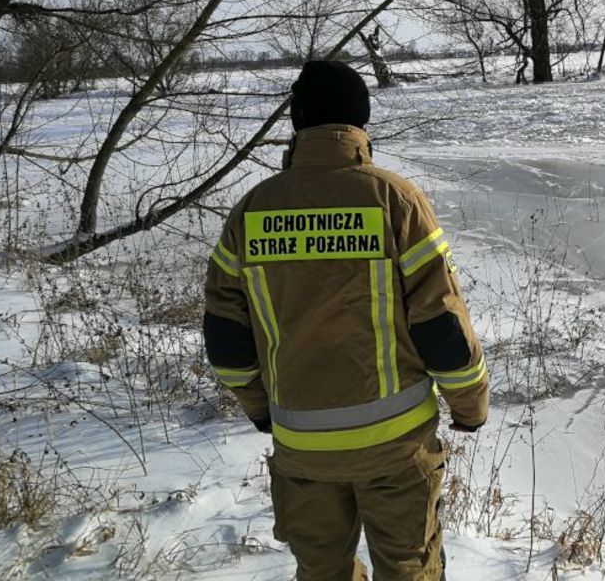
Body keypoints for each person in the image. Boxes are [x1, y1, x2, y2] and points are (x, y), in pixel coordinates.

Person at [203, 60, 488, 580]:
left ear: (297, 122)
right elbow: (441, 326)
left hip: (301, 449)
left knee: (321, 572)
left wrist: (262, 411)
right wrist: (470, 407)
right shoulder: (394, 199)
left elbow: (225, 336)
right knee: (408, 569)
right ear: (362, 122)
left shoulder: (251, 212)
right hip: (396, 451)